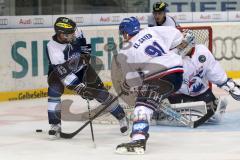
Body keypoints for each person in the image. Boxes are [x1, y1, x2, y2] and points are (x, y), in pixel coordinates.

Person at [46, 17, 129, 138]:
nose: (74, 34)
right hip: (60, 73)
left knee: (102, 95)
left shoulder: (75, 31)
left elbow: (85, 49)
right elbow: (63, 73)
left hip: (82, 67)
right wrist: (79, 88)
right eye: (71, 34)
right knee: (53, 90)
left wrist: (85, 55)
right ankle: (55, 125)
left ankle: (122, 117)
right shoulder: (52, 47)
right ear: (62, 35)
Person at [115, 17, 184, 154]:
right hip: (176, 75)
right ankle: (140, 133)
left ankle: (138, 140)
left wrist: (128, 84)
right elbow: (177, 36)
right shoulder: (151, 31)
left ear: (126, 33)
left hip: (159, 77)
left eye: (123, 33)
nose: (123, 36)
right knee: (147, 101)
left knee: (142, 107)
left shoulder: (125, 49)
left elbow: (133, 79)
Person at [166, 30, 240, 124]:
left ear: (191, 42)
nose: (180, 47)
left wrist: (230, 86)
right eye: (179, 44)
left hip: (202, 92)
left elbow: (213, 69)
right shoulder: (173, 57)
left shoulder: (202, 51)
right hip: (180, 94)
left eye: (183, 44)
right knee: (185, 115)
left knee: (215, 118)